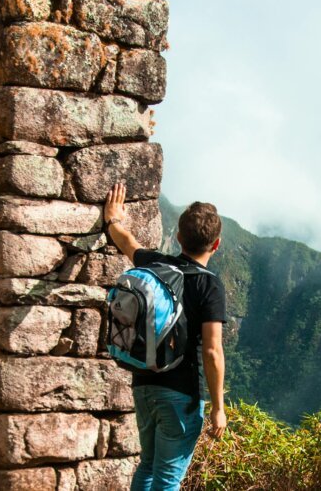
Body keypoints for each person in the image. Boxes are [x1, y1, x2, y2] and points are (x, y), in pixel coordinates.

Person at [104, 182, 228, 491]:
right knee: (167, 480)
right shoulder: (210, 287)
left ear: (177, 237)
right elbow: (212, 352)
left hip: (144, 383)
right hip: (181, 394)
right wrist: (217, 407)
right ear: (216, 245)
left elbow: (126, 241)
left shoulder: (157, 265)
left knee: (147, 466)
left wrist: (112, 218)